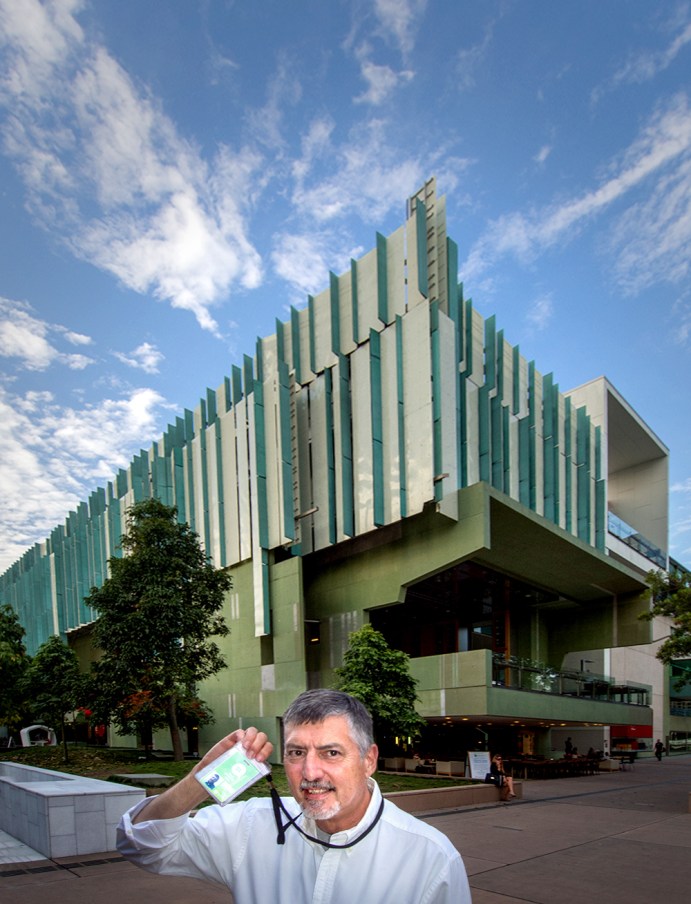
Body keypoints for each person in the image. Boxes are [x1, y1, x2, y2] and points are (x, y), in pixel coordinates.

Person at [117, 689, 470, 903]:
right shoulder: (251, 825)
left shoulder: (430, 859)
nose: (310, 773)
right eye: (296, 753)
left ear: (369, 760)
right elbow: (143, 846)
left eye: (332, 753)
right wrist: (201, 779)